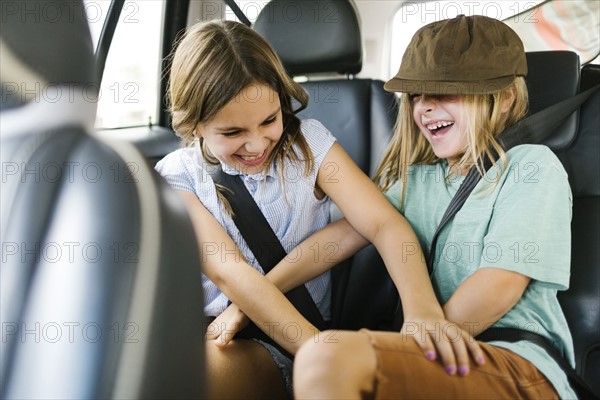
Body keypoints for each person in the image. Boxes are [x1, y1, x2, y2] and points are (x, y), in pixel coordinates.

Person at [155, 20, 478, 399]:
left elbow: (383, 223)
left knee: (193, 380)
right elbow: (231, 274)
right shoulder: (178, 175)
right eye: (232, 133)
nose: (257, 144)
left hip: (283, 338)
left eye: (269, 120)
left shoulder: (308, 144)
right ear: (195, 125)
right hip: (212, 330)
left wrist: (421, 309)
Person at [286, 15, 577, 399]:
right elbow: (340, 238)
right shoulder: (414, 181)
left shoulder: (529, 167)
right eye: (418, 95)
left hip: (515, 360)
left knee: (325, 358)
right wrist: (256, 294)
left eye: (445, 91)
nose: (425, 107)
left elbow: (499, 286)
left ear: (505, 98)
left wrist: (407, 348)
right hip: (440, 354)